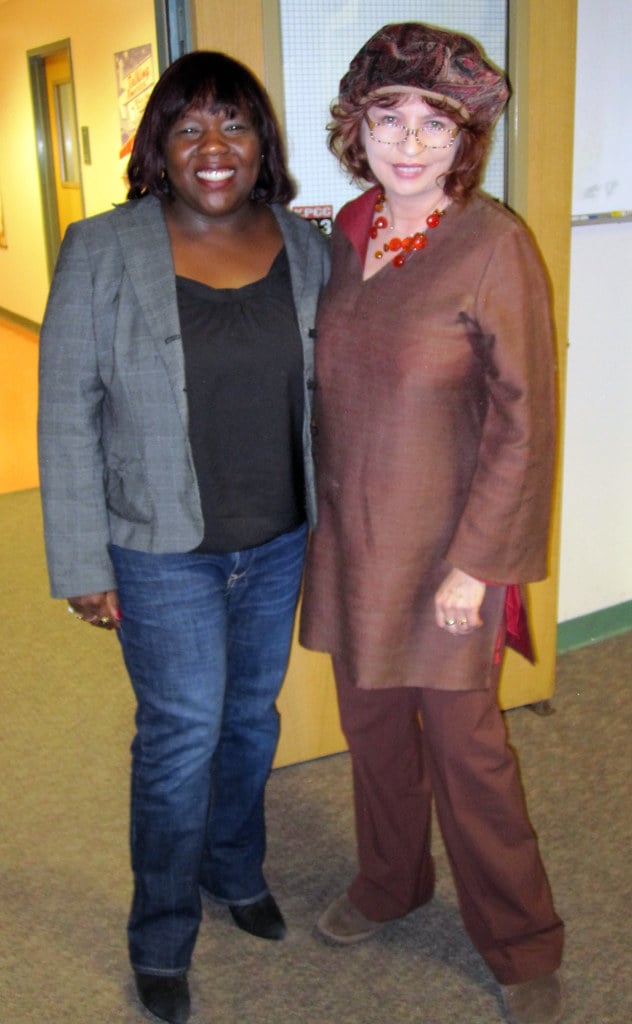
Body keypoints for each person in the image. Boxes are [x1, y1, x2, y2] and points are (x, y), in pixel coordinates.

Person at [38, 51, 329, 1024]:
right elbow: (65, 411)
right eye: (189, 125)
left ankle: (233, 868)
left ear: (261, 143)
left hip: (277, 537)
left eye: (234, 124)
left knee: (250, 719)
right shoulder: (100, 247)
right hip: (158, 547)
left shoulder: (304, 245)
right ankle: (160, 936)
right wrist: (81, 560)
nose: (214, 146)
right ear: (158, 145)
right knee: (180, 736)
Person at [299, 22, 564, 1024]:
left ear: (464, 138)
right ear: (355, 128)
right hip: (352, 545)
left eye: (433, 124)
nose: (408, 144)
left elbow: (523, 418)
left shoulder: (494, 246)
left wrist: (479, 564)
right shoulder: (344, 232)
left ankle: (521, 940)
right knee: (371, 733)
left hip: (450, 556)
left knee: (469, 755)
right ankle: (388, 882)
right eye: (387, 118)